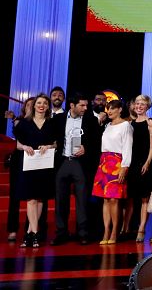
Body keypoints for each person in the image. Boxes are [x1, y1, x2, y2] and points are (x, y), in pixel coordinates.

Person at [51, 93, 102, 246]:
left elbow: (97, 142)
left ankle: (83, 233)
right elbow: (51, 138)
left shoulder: (91, 120)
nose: (86, 108)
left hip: (81, 164)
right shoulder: (58, 120)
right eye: (82, 105)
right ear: (72, 105)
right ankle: (61, 232)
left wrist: (86, 148)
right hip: (63, 162)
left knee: (82, 200)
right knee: (60, 200)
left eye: (87, 105)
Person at [15, 94, 58, 248]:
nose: (41, 105)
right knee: (31, 199)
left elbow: (55, 144)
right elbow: (18, 144)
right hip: (29, 165)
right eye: (39, 103)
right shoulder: (24, 123)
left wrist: (48, 146)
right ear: (34, 105)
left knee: (40, 199)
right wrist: (25, 147)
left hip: (44, 165)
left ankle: (30, 233)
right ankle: (35, 232)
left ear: (47, 106)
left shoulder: (51, 123)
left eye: (45, 103)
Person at [91, 99, 133, 245]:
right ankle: (106, 231)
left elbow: (128, 147)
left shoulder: (126, 125)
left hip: (117, 162)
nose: (109, 111)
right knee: (105, 199)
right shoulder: (107, 125)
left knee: (114, 199)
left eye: (112, 108)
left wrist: (124, 166)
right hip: (104, 162)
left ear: (120, 109)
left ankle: (115, 231)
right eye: (108, 108)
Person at [122, 95, 152, 243]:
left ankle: (142, 228)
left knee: (144, 198)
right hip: (131, 162)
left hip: (144, 163)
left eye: (142, 104)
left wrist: (147, 162)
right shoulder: (129, 124)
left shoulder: (151, 122)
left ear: (147, 106)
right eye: (137, 103)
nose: (139, 106)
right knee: (129, 197)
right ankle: (125, 228)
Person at [5, 97, 34, 242]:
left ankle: (31, 229)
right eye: (28, 105)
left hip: (34, 161)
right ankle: (12, 230)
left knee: (33, 197)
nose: (30, 107)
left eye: (33, 105)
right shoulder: (20, 122)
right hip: (19, 160)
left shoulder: (41, 123)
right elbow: (17, 140)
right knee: (14, 197)